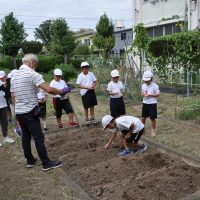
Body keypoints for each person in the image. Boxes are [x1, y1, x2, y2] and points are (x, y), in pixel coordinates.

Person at [10, 53, 68, 171]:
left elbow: (13, 95)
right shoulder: (32, 73)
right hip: (30, 111)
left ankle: (30, 160)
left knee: (25, 136)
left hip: (19, 111)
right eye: (35, 65)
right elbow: (48, 89)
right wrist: (61, 92)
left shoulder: (14, 74)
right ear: (32, 63)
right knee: (38, 137)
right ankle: (46, 163)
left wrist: (17, 108)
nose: (35, 67)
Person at [141, 70, 160, 137]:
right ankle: (142, 129)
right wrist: (143, 94)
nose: (146, 81)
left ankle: (153, 131)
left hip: (152, 103)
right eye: (145, 80)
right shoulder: (143, 85)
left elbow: (158, 94)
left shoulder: (155, 86)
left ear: (151, 79)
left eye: (147, 80)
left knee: (152, 118)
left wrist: (150, 95)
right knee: (143, 118)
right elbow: (142, 93)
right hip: (145, 103)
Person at [0, 71, 14, 146]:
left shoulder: (6, 83)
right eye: (2, 77)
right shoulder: (2, 84)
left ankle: (5, 137)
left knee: (4, 122)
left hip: (3, 104)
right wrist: (2, 87)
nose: (4, 78)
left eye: (4, 77)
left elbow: (7, 92)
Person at [7, 69, 22, 137]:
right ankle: (18, 129)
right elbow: (10, 94)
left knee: (20, 115)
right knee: (15, 115)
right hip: (13, 101)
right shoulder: (9, 82)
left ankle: (21, 128)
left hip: (20, 101)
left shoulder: (20, 81)